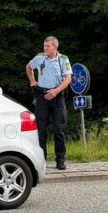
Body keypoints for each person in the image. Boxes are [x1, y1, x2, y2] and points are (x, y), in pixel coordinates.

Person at [25, 36, 72, 170]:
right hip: (42, 96)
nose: (45, 48)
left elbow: (68, 78)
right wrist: (32, 81)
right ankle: (41, 161)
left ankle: (60, 160)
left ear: (55, 47)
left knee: (59, 130)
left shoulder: (63, 59)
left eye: (48, 46)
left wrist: (56, 91)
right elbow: (28, 67)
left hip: (57, 97)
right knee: (41, 130)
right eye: (44, 46)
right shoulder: (39, 57)